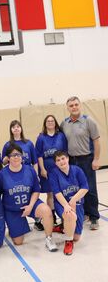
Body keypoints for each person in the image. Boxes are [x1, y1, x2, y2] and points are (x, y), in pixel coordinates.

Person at [0, 143, 57, 252]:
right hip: (13, 210)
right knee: (18, 242)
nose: (16, 157)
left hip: (30, 204)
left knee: (46, 211)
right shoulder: (1, 174)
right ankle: (16, 226)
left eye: (18, 154)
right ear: (8, 158)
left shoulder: (30, 170)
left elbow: (36, 190)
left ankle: (49, 238)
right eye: (13, 155)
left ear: (22, 156)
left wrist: (30, 206)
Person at [60, 96, 100, 230]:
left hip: (86, 159)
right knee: (76, 189)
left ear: (80, 105)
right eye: (71, 105)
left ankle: (94, 216)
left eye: (76, 104)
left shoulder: (88, 121)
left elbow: (96, 141)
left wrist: (96, 159)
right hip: (71, 160)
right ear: (67, 108)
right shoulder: (64, 123)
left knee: (90, 188)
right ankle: (84, 214)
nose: (74, 107)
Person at [2, 120, 43, 231]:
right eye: (13, 127)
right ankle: (18, 220)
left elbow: (34, 161)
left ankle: (37, 220)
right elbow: (4, 162)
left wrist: (36, 174)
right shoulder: (7, 145)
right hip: (14, 175)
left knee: (33, 197)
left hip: (28, 174)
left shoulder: (28, 143)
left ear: (21, 129)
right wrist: (8, 157)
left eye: (18, 126)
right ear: (11, 130)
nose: (16, 129)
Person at [49, 151, 89, 255]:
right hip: (61, 204)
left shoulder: (77, 170)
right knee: (69, 215)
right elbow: (57, 193)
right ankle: (68, 241)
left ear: (68, 158)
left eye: (63, 158)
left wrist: (73, 200)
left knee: (77, 237)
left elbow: (85, 188)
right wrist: (66, 205)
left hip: (77, 202)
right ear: (55, 163)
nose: (61, 161)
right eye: (58, 160)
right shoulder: (54, 173)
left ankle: (63, 227)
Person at [35, 115, 67, 224]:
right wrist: (42, 169)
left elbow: (65, 152)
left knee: (61, 192)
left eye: (52, 121)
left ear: (55, 123)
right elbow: (39, 155)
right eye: (48, 121)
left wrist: (65, 167)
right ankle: (52, 216)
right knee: (50, 194)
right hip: (47, 168)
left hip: (59, 167)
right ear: (45, 123)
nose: (50, 122)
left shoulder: (61, 136)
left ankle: (64, 215)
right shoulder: (41, 137)